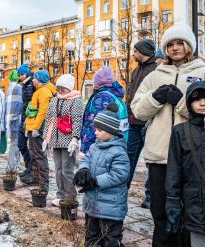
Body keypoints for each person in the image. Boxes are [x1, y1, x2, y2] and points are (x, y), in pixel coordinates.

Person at [131, 24, 205, 247]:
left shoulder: (204, 73)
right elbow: (137, 110)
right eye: (170, 45)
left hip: (192, 155)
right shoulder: (154, 75)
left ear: (189, 46)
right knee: (160, 210)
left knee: (190, 210)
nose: (175, 48)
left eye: (180, 43)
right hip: (160, 155)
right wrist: (156, 98)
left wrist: (181, 103)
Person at [165, 80, 205, 247]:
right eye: (196, 99)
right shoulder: (180, 131)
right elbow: (174, 169)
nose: (203, 103)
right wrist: (172, 200)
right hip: (195, 205)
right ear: (189, 102)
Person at [74, 103, 130, 247]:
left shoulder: (119, 151)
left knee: (110, 239)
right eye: (95, 129)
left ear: (110, 130)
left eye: (99, 129)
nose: (96, 132)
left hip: (111, 207)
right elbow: (86, 158)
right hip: (93, 204)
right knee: (91, 236)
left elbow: (120, 174)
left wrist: (96, 181)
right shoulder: (95, 146)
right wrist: (84, 170)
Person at [43, 74, 83, 206]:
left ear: (69, 88)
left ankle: (70, 197)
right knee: (58, 169)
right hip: (55, 139)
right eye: (58, 87)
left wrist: (75, 139)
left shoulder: (75, 100)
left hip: (68, 140)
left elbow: (77, 120)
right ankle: (60, 195)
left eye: (63, 88)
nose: (60, 90)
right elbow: (49, 118)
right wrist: (46, 139)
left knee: (67, 170)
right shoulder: (55, 100)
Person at [126, 39, 157, 209]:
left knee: (151, 160)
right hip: (133, 122)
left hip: (149, 123)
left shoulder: (156, 69)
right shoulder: (135, 70)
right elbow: (131, 93)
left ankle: (150, 196)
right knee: (129, 158)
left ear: (144, 51)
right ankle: (123, 190)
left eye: (136, 51)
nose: (133, 54)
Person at [80, 66, 126, 154]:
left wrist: (87, 146)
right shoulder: (114, 94)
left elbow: (97, 124)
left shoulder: (102, 98)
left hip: (95, 144)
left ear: (99, 82)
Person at [25, 69, 56, 192]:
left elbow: (43, 111)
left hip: (37, 129)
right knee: (34, 153)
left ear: (40, 80)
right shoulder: (40, 90)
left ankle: (44, 183)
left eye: (35, 78)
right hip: (33, 127)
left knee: (39, 155)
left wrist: (36, 128)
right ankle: (36, 178)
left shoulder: (44, 91)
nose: (33, 79)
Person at [17, 64, 36, 184]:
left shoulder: (32, 84)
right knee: (21, 144)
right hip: (24, 118)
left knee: (33, 148)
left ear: (27, 74)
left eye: (22, 74)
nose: (20, 77)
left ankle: (32, 171)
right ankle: (29, 166)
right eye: (19, 75)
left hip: (30, 119)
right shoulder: (24, 85)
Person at [5, 70, 23, 173]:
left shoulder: (9, 88)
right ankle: (12, 167)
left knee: (14, 143)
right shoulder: (17, 88)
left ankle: (14, 165)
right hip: (16, 121)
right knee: (15, 144)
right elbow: (19, 105)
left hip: (11, 120)